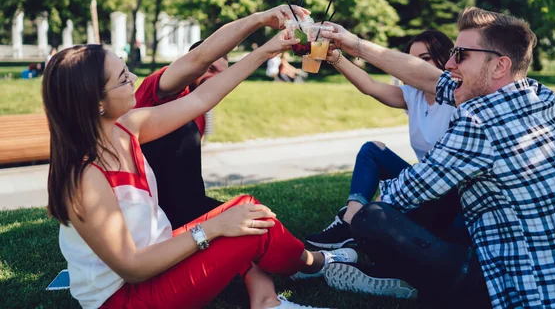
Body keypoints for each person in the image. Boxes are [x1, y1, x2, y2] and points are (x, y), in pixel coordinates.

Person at [43, 39, 357, 309]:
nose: (134, 78)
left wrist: (267, 50)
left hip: (155, 266)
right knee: (244, 227)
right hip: (126, 298)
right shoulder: (85, 179)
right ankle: (313, 265)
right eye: (123, 78)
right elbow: (133, 268)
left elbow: (202, 99)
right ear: (97, 103)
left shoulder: (127, 127)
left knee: (246, 208)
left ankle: (311, 264)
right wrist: (214, 228)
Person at [318, 8, 555, 308]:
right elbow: (424, 75)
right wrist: (353, 44)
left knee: (371, 219)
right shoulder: (539, 95)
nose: (449, 64)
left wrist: (355, 213)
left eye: (461, 55)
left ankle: (394, 279)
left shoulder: (480, 122)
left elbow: (403, 194)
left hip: (524, 291)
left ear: (499, 65)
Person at [135, 6, 310, 229]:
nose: (214, 78)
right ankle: (319, 262)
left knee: (262, 220)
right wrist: (260, 19)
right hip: (155, 219)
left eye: (221, 72)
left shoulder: (199, 109)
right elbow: (199, 57)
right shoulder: (161, 92)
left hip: (187, 211)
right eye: (209, 69)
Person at [306, 30, 459, 250]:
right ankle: (348, 224)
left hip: (449, 195)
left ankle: (365, 225)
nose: (414, 66)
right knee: (372, 150)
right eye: (411, 60)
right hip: (421, 183)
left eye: (424, 59)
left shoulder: (460, 96)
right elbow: (369, 86)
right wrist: (336, 58)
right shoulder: (412, 94)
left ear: (445, 57)